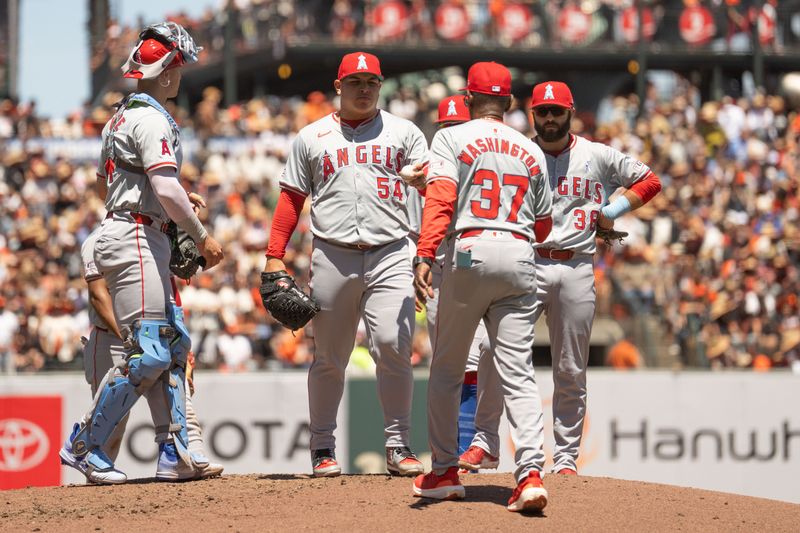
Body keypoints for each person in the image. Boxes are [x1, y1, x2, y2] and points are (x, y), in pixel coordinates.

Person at [458, 81, 661, 476]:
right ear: (531, 114)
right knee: (490, 352)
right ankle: (486, 440)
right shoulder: (518, 150)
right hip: (526, 261)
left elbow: (649, 180)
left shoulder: (595, 154)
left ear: (571, 112)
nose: (549, 119)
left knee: (570, 367)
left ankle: (566, 458)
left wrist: (613, 208)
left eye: (556, 111)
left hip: (575, 264)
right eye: (542, 112)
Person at [59, 21, 223, 484]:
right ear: (167, 72)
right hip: (134, 236)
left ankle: (176, 451)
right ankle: (84, 445)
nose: (180, 76)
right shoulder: (152, 117)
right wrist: (200, 233)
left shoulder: (120, 115)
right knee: (149, 352)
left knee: (172, 346)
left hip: (132, 227)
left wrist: (157, 203)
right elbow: (166, 185)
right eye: (178, 68)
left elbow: (106, 183)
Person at [263, 52, 428, 478]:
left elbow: (436, 193)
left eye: (371, 81)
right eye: (354, 81)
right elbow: (291, 200)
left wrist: (426, 251)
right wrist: (273, 255)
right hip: (332, 253)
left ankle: (397, 443)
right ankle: (322, 445)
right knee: (329, 357)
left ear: (381, 84)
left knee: (393, 346)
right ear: (339, 86)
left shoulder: (405, 133)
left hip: (392, 251)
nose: (363, 88)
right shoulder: (312, 136)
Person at [411, 62, 553, 512]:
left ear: (468, 99)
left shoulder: (452, 136)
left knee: (449, 368)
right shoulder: (529, 149)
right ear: (510, 104)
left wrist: (424, 252)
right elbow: (545, 226)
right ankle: (529, 475)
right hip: (519, 253)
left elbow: (440, 199)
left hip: (469, 250)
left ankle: (443, 471)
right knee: (519, 373)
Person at [80, 226, 223, 479]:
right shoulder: (96, 240)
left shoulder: (151, 237)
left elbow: (169, 293)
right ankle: (91, 466)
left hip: (152, 335)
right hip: (112, 338)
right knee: (112, 421)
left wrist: (181, 345)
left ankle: (190, 455)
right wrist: (129, 339)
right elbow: (98, 296)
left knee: (178, 398)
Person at [406, 94, 483, 456]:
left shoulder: (481, 167)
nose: (451, 132)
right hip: (436, 270)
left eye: (458, 126)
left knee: (481, 354)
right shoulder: (423, 170)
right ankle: (452, 448)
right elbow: (410, 227)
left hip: (474, 268)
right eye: (446, 127)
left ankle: (472, 443)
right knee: (448, 361)